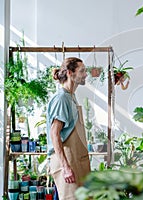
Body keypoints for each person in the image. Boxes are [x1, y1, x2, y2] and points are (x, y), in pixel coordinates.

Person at [46, 57, 91, 199]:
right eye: (82, 71)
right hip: (67, 161)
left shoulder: (71, 96)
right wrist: (65, 168)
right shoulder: (61, 99)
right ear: (70, 73)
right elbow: (55, 134)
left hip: (76, 159)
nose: (85, 74)